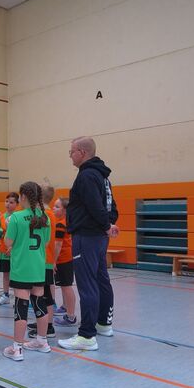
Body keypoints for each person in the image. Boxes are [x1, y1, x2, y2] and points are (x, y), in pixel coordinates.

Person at [58, 137, 119, 351]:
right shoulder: (103, 176)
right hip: (99, 237)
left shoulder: (86, 176)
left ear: (82, 152)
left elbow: (95, 206)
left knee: (87, 284)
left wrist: (105, 225)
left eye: (72, 151)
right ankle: (103, 324)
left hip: (87, 236)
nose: (70, 155)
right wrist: (108, 224)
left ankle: (86, 336)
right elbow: (112, 207)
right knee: (101, 279)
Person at [3, 182, 51, 361]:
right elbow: (46, 242)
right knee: (39, 304)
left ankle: (17, 348)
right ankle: (42, 341)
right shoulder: (45, 218)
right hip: (38, 268)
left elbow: (8, 242)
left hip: (21, 269)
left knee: (21, 307)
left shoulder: (16, 217)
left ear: (23, 196)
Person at [28, 185, 56, 339]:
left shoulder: (46, 215)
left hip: (44, 260)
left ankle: (49, 327)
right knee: (41, 294)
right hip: (43, 259)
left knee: (45, 295)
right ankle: (43, 322)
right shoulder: (46, 214)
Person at [51, 197, 77, 327]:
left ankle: (71, 317)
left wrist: (53, 261)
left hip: (63, 259)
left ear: (65, 210)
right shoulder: (67, 221)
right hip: (68, 258)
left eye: (57, 207)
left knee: (66, 287)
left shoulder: (61, 224)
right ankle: (65, 306)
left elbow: (58, 245)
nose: (53, 208)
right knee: (64, 285)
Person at [0, 192, 19, 306]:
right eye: (7, 201)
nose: (8, 204)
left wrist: (12, 247)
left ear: (17, 204)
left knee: (16, 274)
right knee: (6, 274)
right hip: (4, 251)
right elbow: (0, 231)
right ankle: (5, 295)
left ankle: (18, 297)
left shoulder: (18, 217)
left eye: (11, 202)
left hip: (15, 251)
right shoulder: (2, 217)